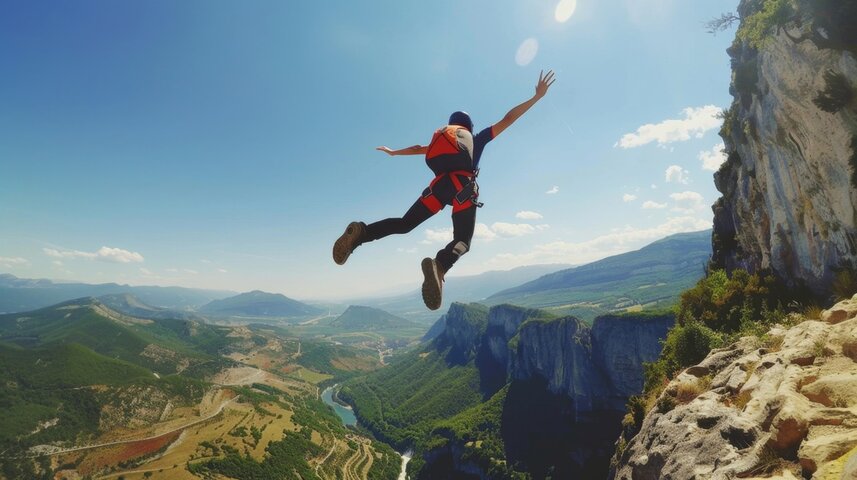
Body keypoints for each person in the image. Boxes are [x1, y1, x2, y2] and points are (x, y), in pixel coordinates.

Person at [333, 70, 556, 310]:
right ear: (468, 128)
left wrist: (393, 152)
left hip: (437, 189)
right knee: (463, 242)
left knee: (404, 223)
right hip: (462, 189)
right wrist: (537, 98)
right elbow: (508, 118)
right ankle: (440, 264)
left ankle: (362, 233)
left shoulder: (442, 140)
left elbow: (419, 148)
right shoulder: (476, 138)